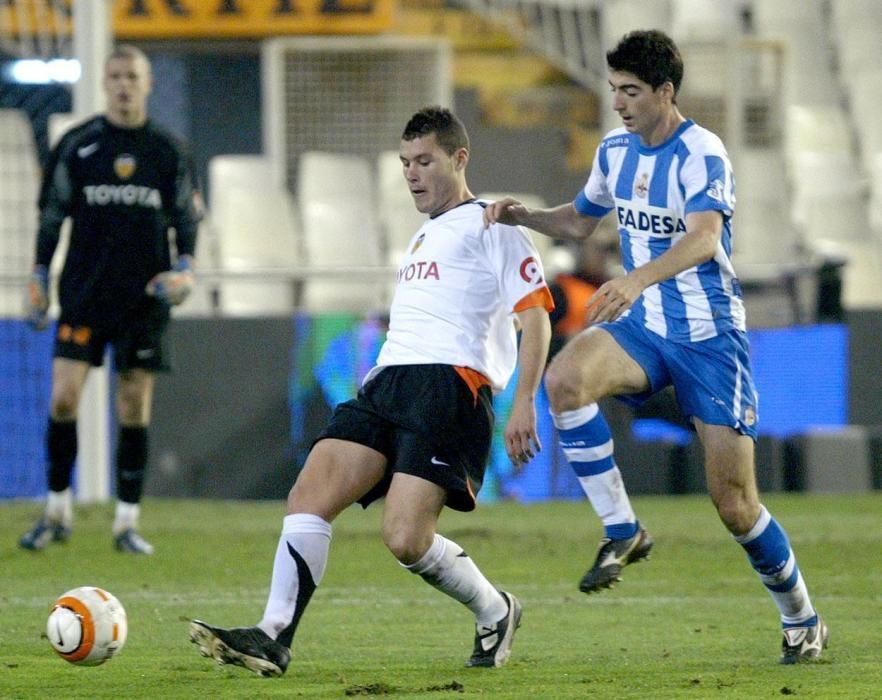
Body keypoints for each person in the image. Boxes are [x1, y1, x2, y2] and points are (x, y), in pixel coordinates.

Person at [484, 30, 827, 665]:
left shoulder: (703, 153)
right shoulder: (615, 152)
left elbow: (703, 239)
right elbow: (580, 220)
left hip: (709, 339)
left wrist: (634, 278)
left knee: (735, 505)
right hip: (645, 329)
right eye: (613, 89)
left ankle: (801, 616)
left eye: (630, 91)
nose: (617, 102)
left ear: (665, 92)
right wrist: (524, 217)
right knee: (565, 381)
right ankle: (623, 529)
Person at [189, 106, 553, 676]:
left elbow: (537, 319)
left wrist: (526, 399)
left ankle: (495, 609)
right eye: (405, 162)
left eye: (424, 161)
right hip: (388, 382)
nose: (411, 173)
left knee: (406, 538)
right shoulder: (422, 235)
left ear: (459, 159)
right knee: (309, 494)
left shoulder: (494, 223)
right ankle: (272, 635)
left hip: (451, 387)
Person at [19, 44, 201, 555]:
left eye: (133, 76)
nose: (124, 84)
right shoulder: (78, 144)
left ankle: (126, 522)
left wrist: (185, 266)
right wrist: (38, 273)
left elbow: (187, 219)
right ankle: (56, 510)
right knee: (62, 397)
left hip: (143, 300)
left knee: (133, 403)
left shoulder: (169, 150)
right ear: (104, 82)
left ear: (148, 84)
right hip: (83, 295)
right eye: (115, 75)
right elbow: (52, 217)